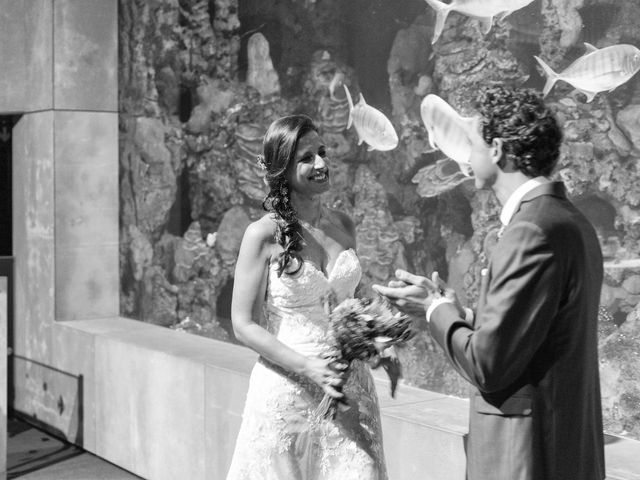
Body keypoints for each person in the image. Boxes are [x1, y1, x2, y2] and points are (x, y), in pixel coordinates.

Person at [373, 86, 605, 480]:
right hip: (561, 447)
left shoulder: (530, 231)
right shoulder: (570, 221)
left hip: (524, 455)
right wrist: (458, 311)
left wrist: (434, 310)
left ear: (497, 149)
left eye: (473, 142)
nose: (467, 153)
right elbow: (535, 331)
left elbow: (489, 365)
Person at [226, 114, 387, 480]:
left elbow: (350, 303)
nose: (321, 164)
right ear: (282, 168)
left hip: (349, 388)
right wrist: (307, 367)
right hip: (287, 391)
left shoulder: (344, 225)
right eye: (306, 158)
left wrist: (378, 334)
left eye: (322, 153)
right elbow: (243, 325)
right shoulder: (261, 235)